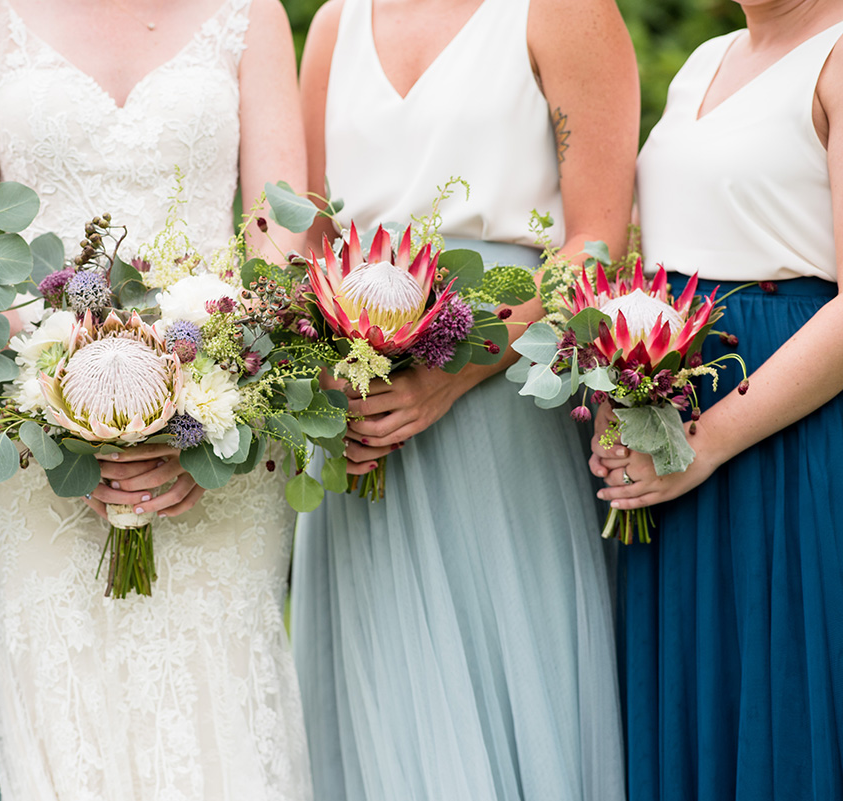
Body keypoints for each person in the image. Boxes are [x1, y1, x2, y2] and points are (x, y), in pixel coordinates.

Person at [0, 0, 311, 798]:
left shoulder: (252, 15)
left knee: (215, 704)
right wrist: (44, 406)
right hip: (31, 442)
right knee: (60, 705)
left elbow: (283, 242)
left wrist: (207, 410)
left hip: (217, 420)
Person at [289, 0, 638, 798]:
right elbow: (307, 237)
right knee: (376, 688)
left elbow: (595, 240)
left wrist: (460, 366)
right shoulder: (335, 24)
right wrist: (328, 373)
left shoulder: (562, 11)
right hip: (358, 408)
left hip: (502, 395)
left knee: (504, 661)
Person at [592, 2, 843, 797]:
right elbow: (651, 255)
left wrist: (707, 441)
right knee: (690, 699)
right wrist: (609, 393)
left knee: (780, 698)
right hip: (669, 420)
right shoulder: (705, 59)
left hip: (777, 434)